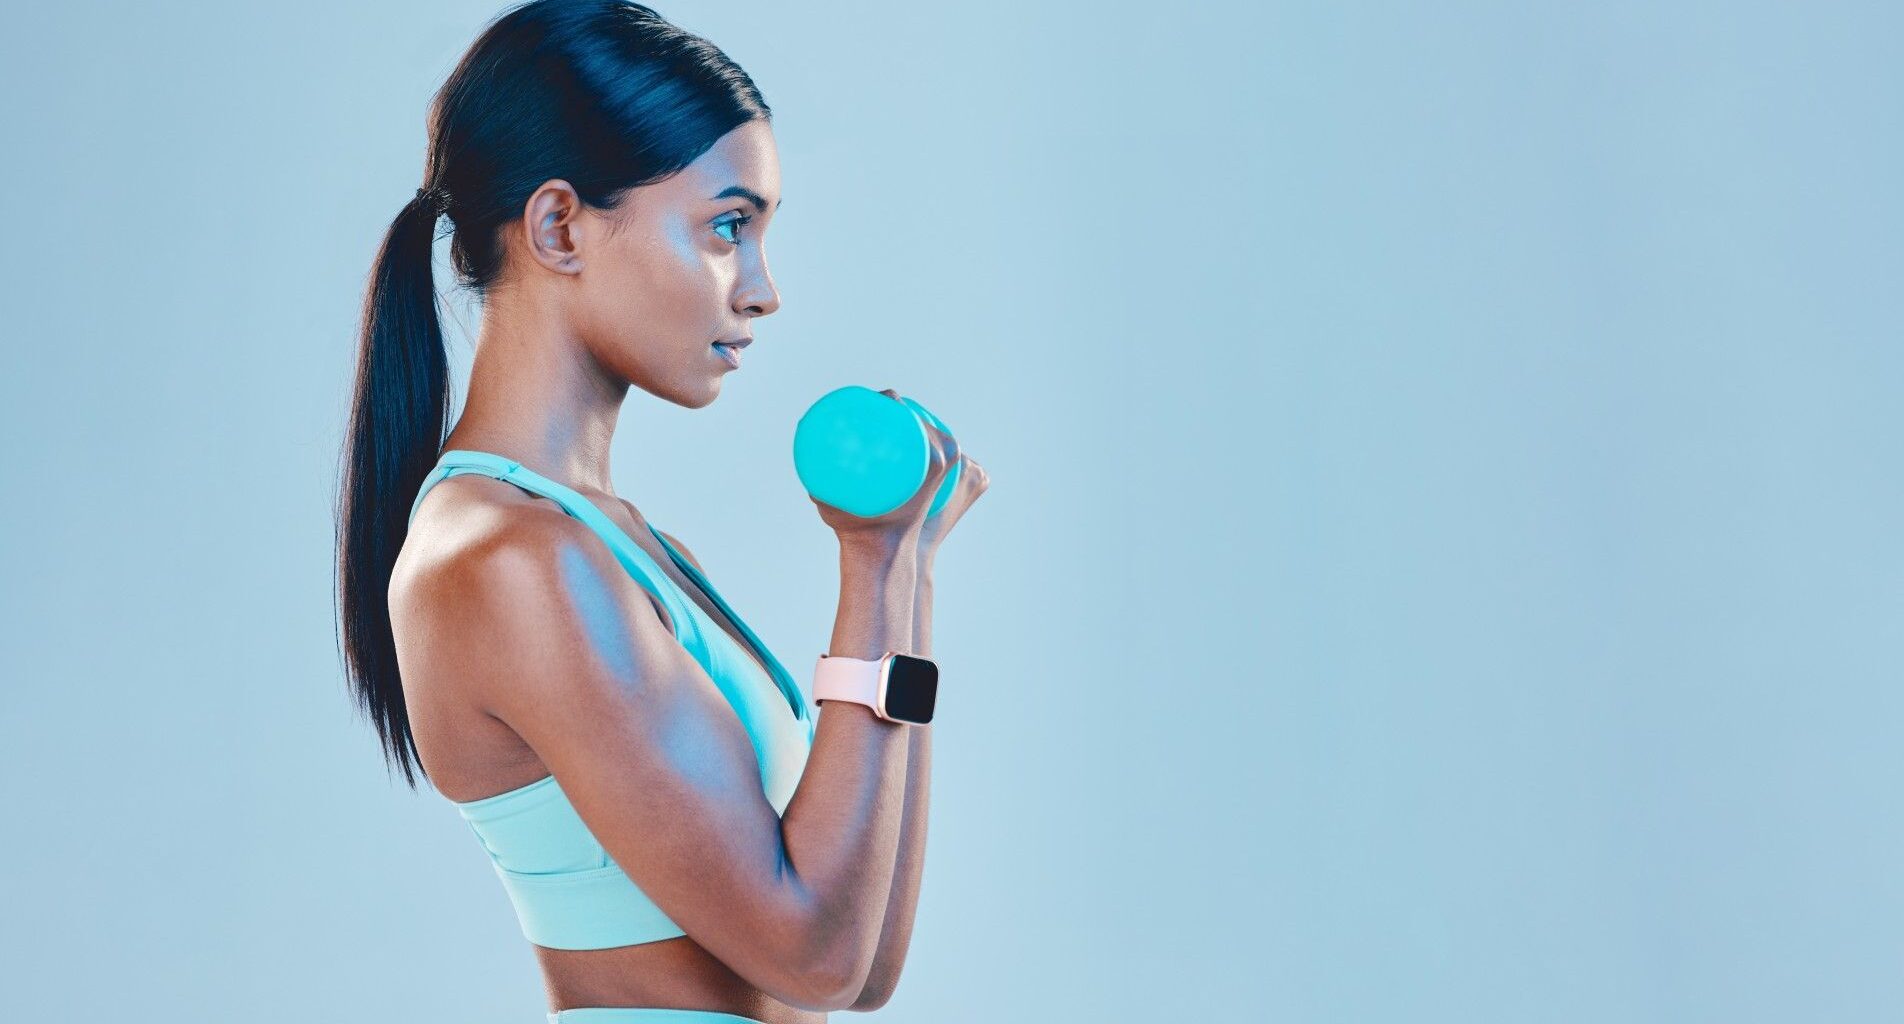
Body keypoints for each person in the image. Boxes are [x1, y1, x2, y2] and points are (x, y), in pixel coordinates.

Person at [331, 3, 989, 1021]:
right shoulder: (508, 557)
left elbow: (862, 970)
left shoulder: (625, 550)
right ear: (558, 226)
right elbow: (807, 955)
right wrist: (867, 568)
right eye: (728, 227)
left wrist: (906, 568)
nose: (762, 291)